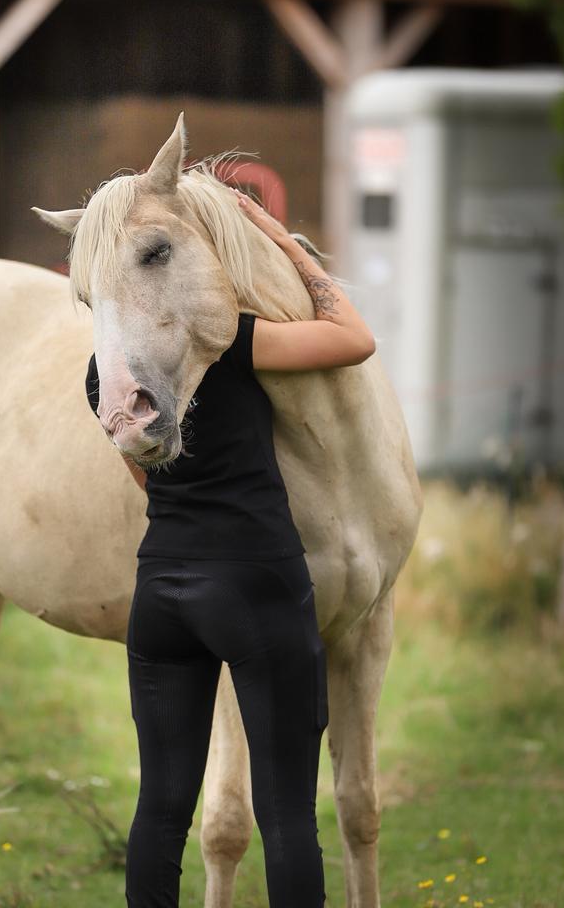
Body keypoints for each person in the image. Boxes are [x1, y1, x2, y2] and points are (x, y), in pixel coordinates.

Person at [84, 191, 376, 908]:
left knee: (159, 808)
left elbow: (142, 466)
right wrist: (285, 238)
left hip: (162, 594)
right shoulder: (234, 343)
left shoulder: (106, 376)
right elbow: (352, 338)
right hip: (256, 588)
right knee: (286, 818)